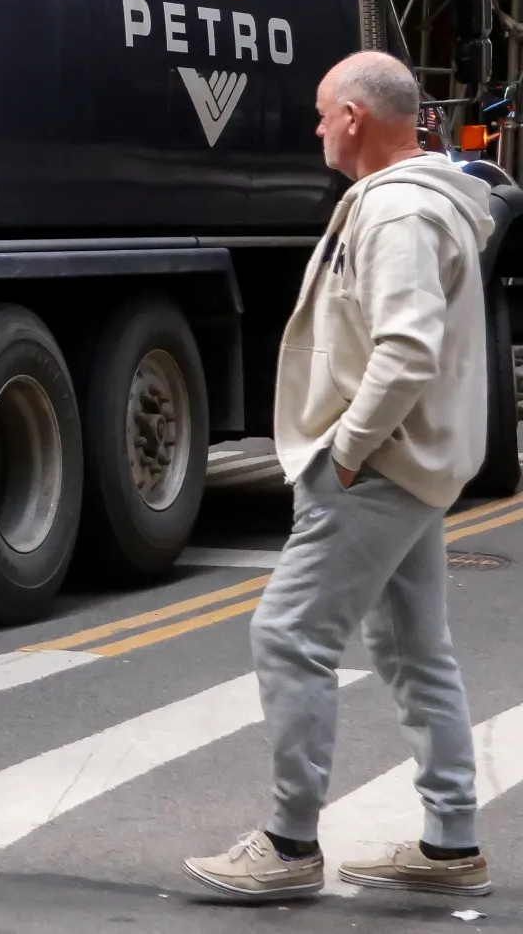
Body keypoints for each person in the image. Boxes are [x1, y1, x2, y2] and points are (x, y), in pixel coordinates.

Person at [185, 51, 496, 900]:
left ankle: (289, 846)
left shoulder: (395, 213)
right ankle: (449, 843)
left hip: (380, 466)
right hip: (414, 461)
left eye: (323, 112)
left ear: (355, 118)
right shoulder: (420, 202)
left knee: (289, 636)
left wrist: (348, 449)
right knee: (412, 650)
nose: (316, 126)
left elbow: (406, 348)